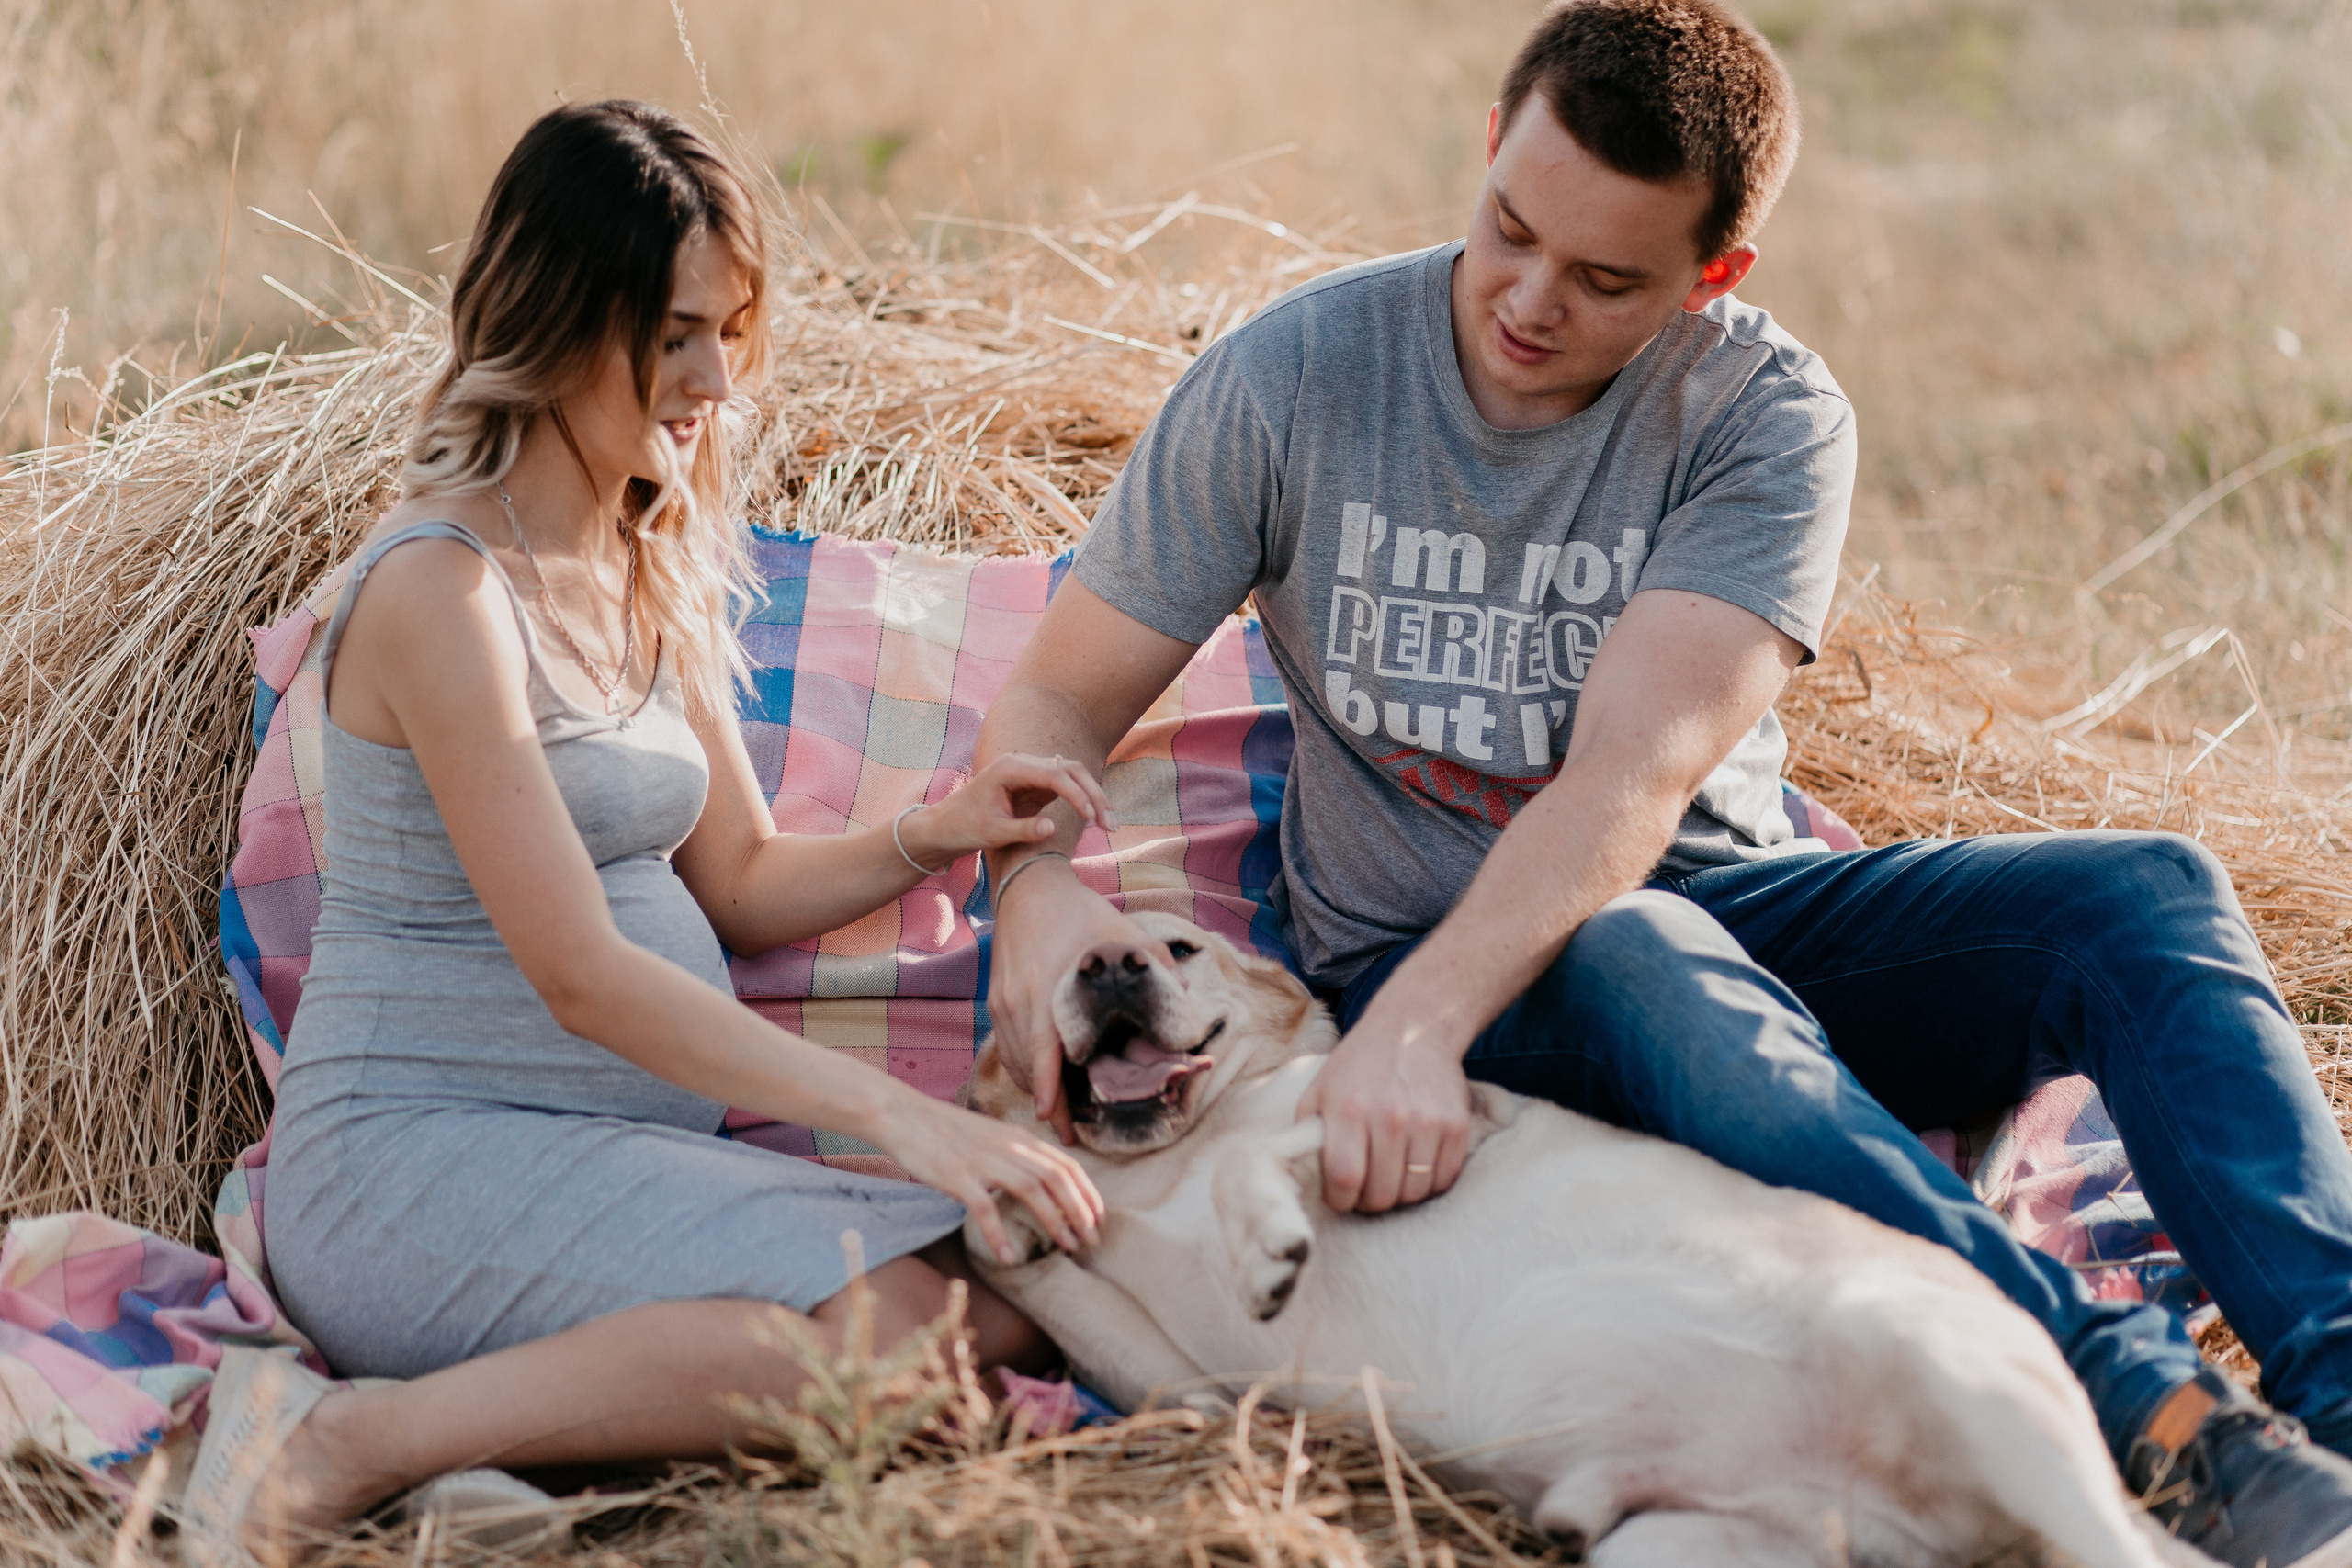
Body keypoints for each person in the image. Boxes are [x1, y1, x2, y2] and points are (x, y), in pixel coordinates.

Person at [972, 3, 2352, 1563]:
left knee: (2142, 895)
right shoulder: (1292, 382)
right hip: (1456, 976)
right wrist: (1029, 893)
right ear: (1491, 150)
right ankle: (2156, 1422)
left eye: (1608, 279)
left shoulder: (1767, 417)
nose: (1529, 300)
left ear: (1716, 278)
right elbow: (1053, 696)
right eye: (1509, 231)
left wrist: (1414, 1036)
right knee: (1645, 949)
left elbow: (1631, 783)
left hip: (1707, 915)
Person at [183, 101, 1106, 1559]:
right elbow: (582, 977)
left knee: (1000, 1306)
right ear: (559, 313)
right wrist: (904, 1123)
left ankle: (537, 1425)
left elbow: (734, 882)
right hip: (416, 1166)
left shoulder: (639, 548)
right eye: (677, 334)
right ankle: (364, 1440)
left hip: (598, 1164)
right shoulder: (442, 591)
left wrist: (938, 832)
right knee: (914, 1346)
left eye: (731, 332)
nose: (713, 380)